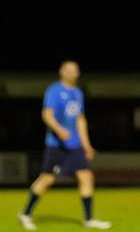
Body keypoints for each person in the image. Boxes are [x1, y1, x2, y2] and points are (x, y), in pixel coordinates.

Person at [18, 61, 111, 230]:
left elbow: (80, 120)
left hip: (74, 145)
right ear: (61, 72)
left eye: (74, 70)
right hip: (56, 144)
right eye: (67, 69)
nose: (71, 72)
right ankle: (26, 214)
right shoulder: (54, 90)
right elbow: (47, 115)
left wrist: (87, 145)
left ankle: (89, 219)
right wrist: (60, 130)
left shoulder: (77, 93)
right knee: (47, 179)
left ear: (78, 73)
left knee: (86, 177)